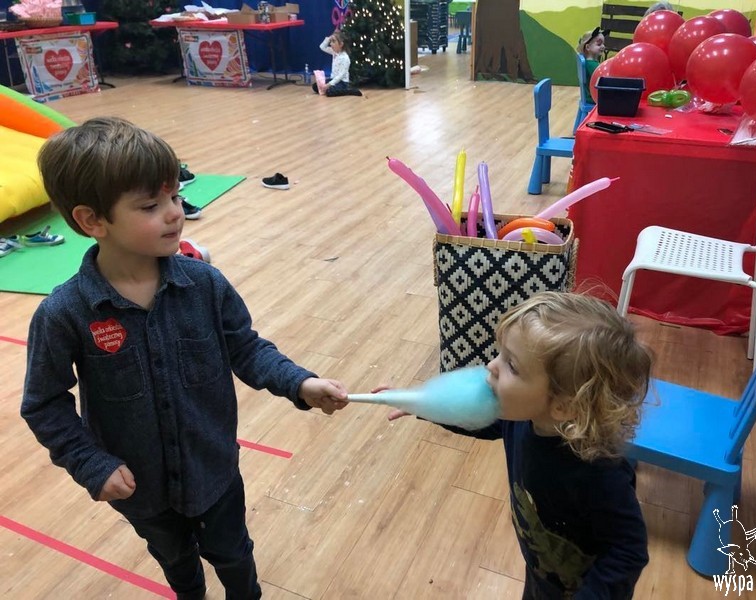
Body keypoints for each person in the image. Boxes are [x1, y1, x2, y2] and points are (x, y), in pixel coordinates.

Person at [21, 116, 349, 600]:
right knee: (174, 560)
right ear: (92, 221)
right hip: (142, 491)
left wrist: (299, 382)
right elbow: (43, 403)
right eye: (151, 206)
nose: (175, 213)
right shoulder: (63, 314)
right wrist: (90, 463)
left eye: (175, 196)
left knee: (234, 555)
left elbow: (246, 348)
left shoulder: (206, 286)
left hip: (215, 472)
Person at [388, 291, 651, 599]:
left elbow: (628, 550)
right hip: (542, 569)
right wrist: (424, 405)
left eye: (511, 365)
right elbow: (485, 421)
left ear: (564, 406)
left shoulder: (599, 472)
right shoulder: (523, 419)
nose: (491, 365)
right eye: (500, 354)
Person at [313, 30, 362, 97]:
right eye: (331, 41)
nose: (331, 44)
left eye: (333, 41)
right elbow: (322, 47)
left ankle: (349, 90)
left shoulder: (345, 58)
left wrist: (328, 85)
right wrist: (329, 38)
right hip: (333, 80)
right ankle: (329, 88)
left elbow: (340, 76)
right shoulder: (334, 52)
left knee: (330, 91)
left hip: (342, 82)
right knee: (315, 86)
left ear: (341, 44)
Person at [576, 27, 608, 103]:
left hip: (589, 96)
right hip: (593, 98)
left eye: (603, 43)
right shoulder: (592, 65)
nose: (603, 46)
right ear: (588, 47)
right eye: (599, 44)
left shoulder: (589, 62)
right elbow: (604, 80)